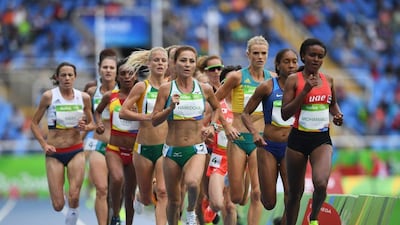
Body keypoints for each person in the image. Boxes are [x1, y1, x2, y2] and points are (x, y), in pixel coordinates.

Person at [151, 45, 237, 225]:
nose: (187, 65)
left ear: (195, 65)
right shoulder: (166, 89)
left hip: (196, 149)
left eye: (191, 61)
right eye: (183, 60)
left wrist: (213, 126)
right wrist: (170, 108)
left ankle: (191, 211)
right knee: (173, 202)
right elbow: (155, 120)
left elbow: (216, 108)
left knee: (191, 183)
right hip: (172, 150)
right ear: (174, 63)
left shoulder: (204, 88)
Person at [281, 38, 343, 225]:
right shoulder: (294, 80)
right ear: (303, 57)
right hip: (298, 140)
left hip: (321, 139)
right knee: (294, 194)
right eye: (312, 55)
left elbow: (332, 104)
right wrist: (305, 90)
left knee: (321, 183)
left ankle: (313, 218)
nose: (316, 59)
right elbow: (285, 114)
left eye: (320, 56)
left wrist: (338, 115)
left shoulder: (329, 80)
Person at [215, 35, 276, 225]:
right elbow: (214, 100)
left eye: (263, 53)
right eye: (255, 53)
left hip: (261, 140)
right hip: (239, 138)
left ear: (268, 55)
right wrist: (226, 125)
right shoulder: (237, 77)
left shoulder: (273, 79)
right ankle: (240, 184)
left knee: (258, 193)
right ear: (247, 54)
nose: (259, 57)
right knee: (237, 197)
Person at [30, 62, 96, 225]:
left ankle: (72, 218)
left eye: (70, 75)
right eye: (63, 75)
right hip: (54, 153)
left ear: (75, 77)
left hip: (76, 151)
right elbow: (33, 123)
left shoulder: (84, 98)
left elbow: (92, 124)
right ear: (57, 77)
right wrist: (44, 145)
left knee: (74, 196)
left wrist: (85, 127)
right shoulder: (49, 96)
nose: (67, 78)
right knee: (58, 205)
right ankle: (63, 202)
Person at [241, 49, 299, 225]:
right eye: (286, 62)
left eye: (294, 61)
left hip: (292, 147)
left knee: (292, 194)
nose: (291, 65)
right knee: (268, 202)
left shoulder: (301, 87)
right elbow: (245, 113)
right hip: (269, 146)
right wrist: (254, 133)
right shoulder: (267, 86)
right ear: (278, 65)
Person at [119, 47, 169, 225]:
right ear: (149, 63)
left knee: (163, 192)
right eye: (156, 60)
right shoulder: (142, 87)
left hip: (165, 147)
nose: (160, 63)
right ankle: (140, 196)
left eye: (163, 60)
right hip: (143, 148)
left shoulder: (171, 86)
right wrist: (145, 116)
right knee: (148, 199)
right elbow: (123, 112)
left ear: (168, 64)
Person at [95, 57, 143, 225]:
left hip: (135, 151)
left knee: (130, 193)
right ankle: (115, 214)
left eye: (130, 73)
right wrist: (99, 123)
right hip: (114, 148)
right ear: (118, 77)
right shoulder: (110, 96)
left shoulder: (142, 96)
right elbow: (98, 111)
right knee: (116, 179)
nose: (127, 76)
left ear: (136, 76)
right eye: (123, 73)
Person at [84, 48, 118, 225]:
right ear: (99, 69)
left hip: (120, 148)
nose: (108, 70)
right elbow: (86, 118)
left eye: (112, 67)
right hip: (99, 146)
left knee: (116, 192)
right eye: (105, 67)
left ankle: (115, 217)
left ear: (116, 70)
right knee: (101, 190)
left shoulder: (126, 90)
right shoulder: (91, 92)